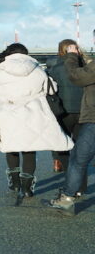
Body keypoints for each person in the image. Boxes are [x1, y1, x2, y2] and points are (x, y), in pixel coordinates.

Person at [0, 43, 73, 201]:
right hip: (33, 114)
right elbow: (51, 90)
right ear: (25, 54)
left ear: (9, 54)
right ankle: (27, 187)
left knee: (11, 147)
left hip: (8, 114)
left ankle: (14, 183)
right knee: (30, 149)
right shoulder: (37, 70)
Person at [48, 41, 95, 213]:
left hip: (85, 116)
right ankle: (73, 192)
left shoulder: (58, 66)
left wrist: (72, 56)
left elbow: (76, 77)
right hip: (83, 114)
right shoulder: (89, 64)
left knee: (77, 157)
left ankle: (67, 197)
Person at [46, 39, 85, 180]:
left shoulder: (54, 67)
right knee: (79, 142)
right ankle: (78, 175)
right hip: (83, 109)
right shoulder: (84, 65)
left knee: (60, 139)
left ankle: (58, 162)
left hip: (61, 109)